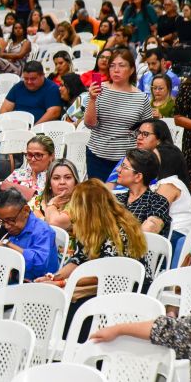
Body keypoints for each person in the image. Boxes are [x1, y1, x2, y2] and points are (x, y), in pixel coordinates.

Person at [35, 179, 150, 334]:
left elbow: (104, 276)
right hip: (98, 286)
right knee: (49, 295)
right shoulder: (90, 228)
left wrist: (63, 283)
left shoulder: (120, 232)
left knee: (73, 306)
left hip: (127, 289)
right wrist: (53, 277)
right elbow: (78, 260)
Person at [84, 49, 152, 181]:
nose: (116, 70)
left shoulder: (141, 97)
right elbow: (89, 124)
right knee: (99, 198)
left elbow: (147, 130)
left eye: (121, 65)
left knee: (121, 198)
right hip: (97, 155)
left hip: (127, 159)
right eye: (112, 66)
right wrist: (92, 99)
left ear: (132, 70)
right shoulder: (98, 90)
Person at [0, 188, 59, 281]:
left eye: (11, 220)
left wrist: (8, 245)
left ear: (26, 210)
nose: (6, 226)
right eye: (2, 221)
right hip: (17, 282)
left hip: (41, 285)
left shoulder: (43, 231)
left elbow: (40, 264)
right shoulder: (14, 229)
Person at [114, 149, 171, 236]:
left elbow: (150, 229)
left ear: (138, 177)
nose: (118, 169)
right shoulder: (116, 198)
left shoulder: (157, 202)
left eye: (124, 167)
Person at [30, 159, 80, 241]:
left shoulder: (80, 204)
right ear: (49, 184)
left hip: (68, 252)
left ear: (75, 182)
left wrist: (51, 204)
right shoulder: (36, 201)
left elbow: (54, 225)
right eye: (56, 178)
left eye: (68, 177)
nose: (62, 182)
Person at [2, 135, 55, 200]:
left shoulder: (56, 178)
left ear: (51, 156)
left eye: (38, 155)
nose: (32, 159)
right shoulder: (17, 173)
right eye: (29, 154)